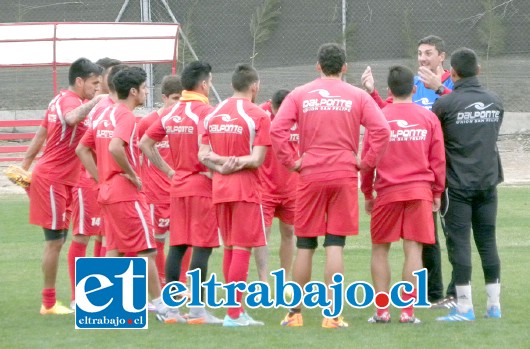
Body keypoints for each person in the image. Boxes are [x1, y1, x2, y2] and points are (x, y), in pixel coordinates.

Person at [270, 43, 390, 328]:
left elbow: (277, 129)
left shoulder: (300, 94)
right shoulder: (358, 96)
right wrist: (365, 162)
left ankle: (293, 314)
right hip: (343, 173)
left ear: (318, 66)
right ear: (345, 67)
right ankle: (332, 316)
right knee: (335, 244)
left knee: (305, 245)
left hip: (310, 174)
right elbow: (382, 130)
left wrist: (292, 161)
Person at [76, 66, 177, 323]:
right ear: (133, 91)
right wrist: (131, 174)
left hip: (108, 192)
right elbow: (115, 147)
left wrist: (102, 178)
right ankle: (160, 306)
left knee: (116, 249)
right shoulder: (126, 117)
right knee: (148, 250)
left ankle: (106, 308)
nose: (146, 92)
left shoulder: (104, 114)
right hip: (126, 193)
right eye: (144, 88)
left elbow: (82, 149)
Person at [362, 35, 456, 307]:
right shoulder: (422, 106)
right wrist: (372, 93)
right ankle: (410, 306)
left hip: (416, 180)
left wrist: (367, 190)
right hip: (423, 182)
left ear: (441, 56)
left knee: (396, 246)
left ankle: (404, 302)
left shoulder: (450, 83)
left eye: (428, 53)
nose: (423, 58)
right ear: (413, 90)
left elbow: (370, 153)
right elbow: (392, 120)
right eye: (420, 53)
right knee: (416, 245)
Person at [140, 61, 223, 324]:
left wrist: (169, 171)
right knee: (202, 246)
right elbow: (207, 150)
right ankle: (197, 311)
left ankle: (173, 310)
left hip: (178, 187)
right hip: (200, 185)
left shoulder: (171, 113)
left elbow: (145, 143)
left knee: (177, 245)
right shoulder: (206, 113)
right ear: (203, 84)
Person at [20, 57, 104, 315]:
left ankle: (52, 301)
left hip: (62, 180)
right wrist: (94, 103)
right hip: (54, 179)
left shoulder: (56, 100)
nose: (97, 88)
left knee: (59, 239)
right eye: (94, 83)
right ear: (79, 81)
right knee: (55, 242)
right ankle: (48, 303)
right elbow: (70, 118)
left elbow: (40, 135)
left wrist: (24, 167)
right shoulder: (70, 102)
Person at [433, 48, 503, 322]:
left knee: (459, 243)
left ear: (452, 74)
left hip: (457, 187)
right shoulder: (495, 101)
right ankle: (493, 306)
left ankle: (464, 308)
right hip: (488, 183)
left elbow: (437, 143)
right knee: (487, 242)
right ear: (479, 70)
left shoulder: (445, 106)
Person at [198, 63, 270, 327]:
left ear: (232, 85)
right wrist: (236, 161)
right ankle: (234, 314)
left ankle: (234, 311)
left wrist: (220, 163)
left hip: (219, 187)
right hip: (245, 189)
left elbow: (202, 155)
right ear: (255, 86)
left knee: (230, 248)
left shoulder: (213, 112)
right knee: (242, 249)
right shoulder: (258, 115)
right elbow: (257, 159)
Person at [67, 62, 125, 309]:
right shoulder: (100, 106)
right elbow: (81, 140)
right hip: (87, 181)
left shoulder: (116, 109)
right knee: (82, 235)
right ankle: (77, 297)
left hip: (106, 182)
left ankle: (103, 294)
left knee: (105, 235)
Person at [137, 75, 185, 288]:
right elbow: (137, 151)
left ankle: (182, 283)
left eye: (182, 99)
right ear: (164, 97)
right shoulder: (147, 123)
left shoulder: (184, 121)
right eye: (175, 98)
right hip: (155, 193)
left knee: (184, 239)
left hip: (180, 190)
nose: (179, 103)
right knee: (157, 240)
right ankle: (162, 281)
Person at [254, 89, 296, 282]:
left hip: (292, 188)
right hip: (265, 187)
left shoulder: (300, 115)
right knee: (263, 234)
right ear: (271, 106)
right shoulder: (260, 115)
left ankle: (285, 279)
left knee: (289, 232)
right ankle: (263, 281)